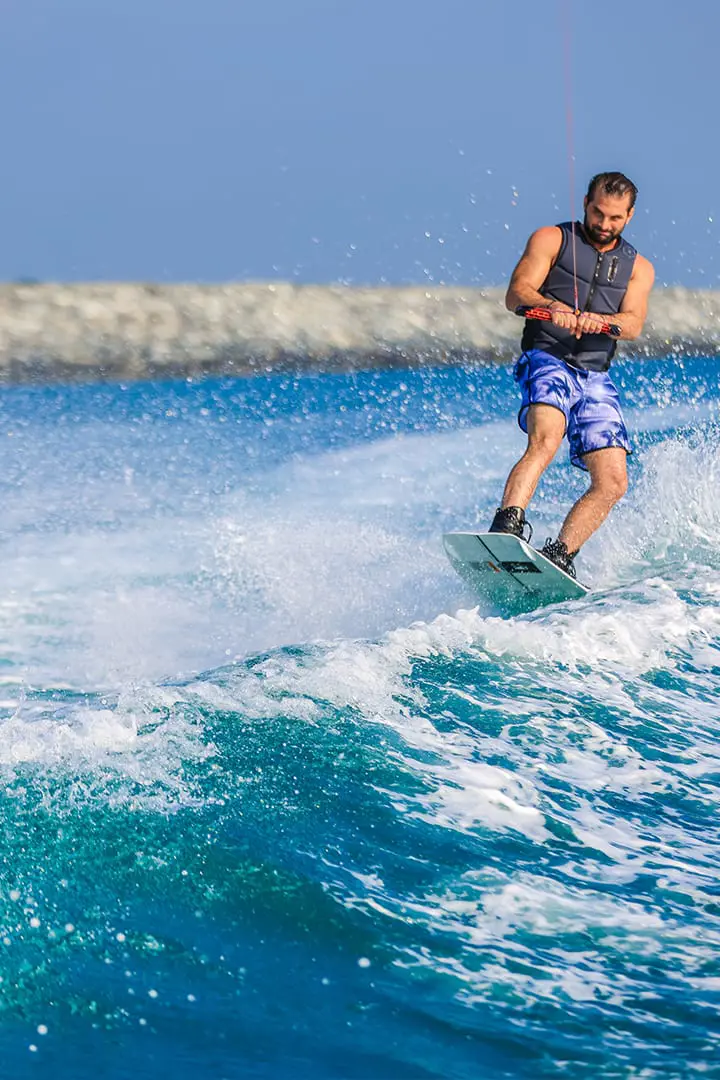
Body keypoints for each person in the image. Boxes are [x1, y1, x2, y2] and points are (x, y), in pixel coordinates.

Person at [488, 171, 655, 578]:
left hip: (595, 375)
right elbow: (516, 293)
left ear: (629, 217)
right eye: (598, 212)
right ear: (585, 203)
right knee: (546, 438)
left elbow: (632, 324)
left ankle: (559, 556)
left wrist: (599, 322)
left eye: (615, 218)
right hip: (547, 356)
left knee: (614, 482)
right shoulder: (551, 239)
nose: (604, 224)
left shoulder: (638, 268)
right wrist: (551, 306)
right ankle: (507, 526)